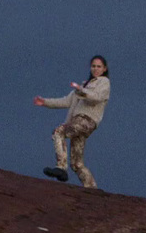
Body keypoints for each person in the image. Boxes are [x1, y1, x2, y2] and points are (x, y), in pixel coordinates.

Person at [33, 55, 110, 188]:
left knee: (59, 132)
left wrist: (82, 91)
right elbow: (66, 101)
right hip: (78, 122)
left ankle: (61, 167)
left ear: (104, 69)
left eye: (99, 66)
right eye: (93, 66)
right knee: (77, 163)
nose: (95, 69)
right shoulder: (84, 85)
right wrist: (45, 102)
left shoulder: (103, 82)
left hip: (87, 120)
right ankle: (92, 188)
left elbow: (96, 98)